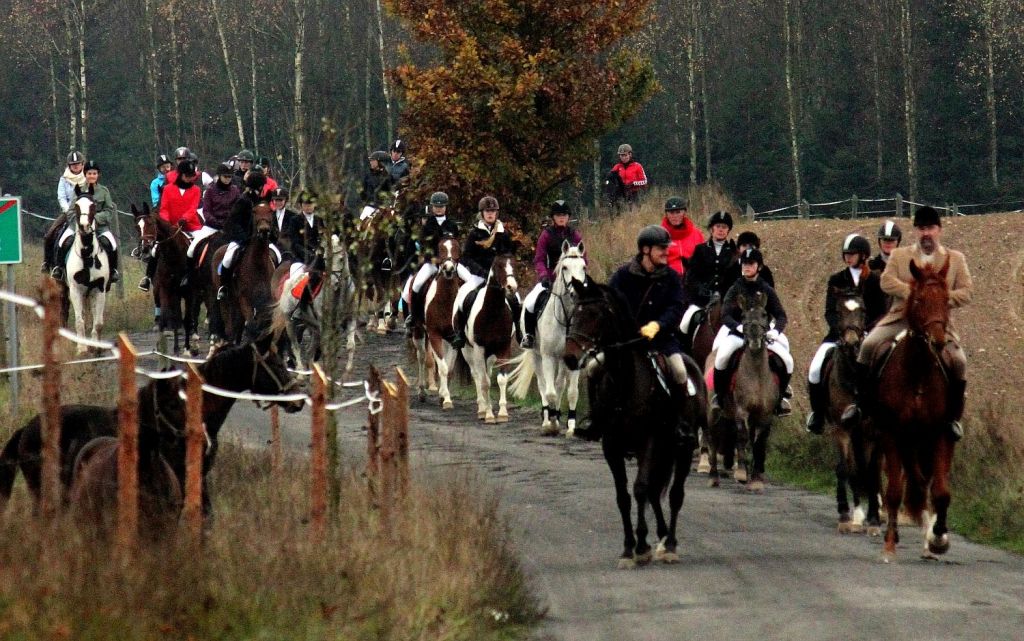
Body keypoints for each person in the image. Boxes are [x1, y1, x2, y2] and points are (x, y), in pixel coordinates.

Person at [845, 206, 973, 440]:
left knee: (959, 361)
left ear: (939, 230)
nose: (926, 233)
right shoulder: (899, 255)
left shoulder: (955, 259)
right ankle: (860, 405)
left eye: (930, 228)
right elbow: (886, 282)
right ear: (915, 231)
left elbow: (966, 292)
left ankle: (953, 418)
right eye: (921, 228)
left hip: (936, 323)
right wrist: (914, 295)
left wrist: (937, 300)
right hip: (899, 318)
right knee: (867, 346)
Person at [608, 225, 696, 441]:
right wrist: (627, 327)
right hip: (627, 341)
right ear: (646, 250)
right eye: (661, 248)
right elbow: (611, 303)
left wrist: (658, 325)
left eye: (667, 248)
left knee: (680, 372)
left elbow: (677, 307)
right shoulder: (622, 276)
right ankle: (597, 418)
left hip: (662, 341)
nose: (667, 252)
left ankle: (681, 422)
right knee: (593, 368)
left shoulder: (672, 278)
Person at [804, 234, 885, 434]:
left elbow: (881, 311)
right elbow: (829, 311)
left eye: (852, 254)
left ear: (863, 255)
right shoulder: (837, 279)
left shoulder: (874, 280)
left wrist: (866, 330)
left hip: (868, 335)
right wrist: (840, 330)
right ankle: (818, 414)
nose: (848, 258)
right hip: (838, 336)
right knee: (815, 369)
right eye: (846, 254)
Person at [710, 248, 793, 418]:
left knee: (788, 360)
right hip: (738, 334)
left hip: (763, 334)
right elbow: (725, 315)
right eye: (744, 264)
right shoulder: (735, 289)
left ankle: (780, 400)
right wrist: (737, 327)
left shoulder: (766, 289)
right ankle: (719, 397)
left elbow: (781, 315)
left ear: (759, 267)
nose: (746, 267)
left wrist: (776, 331)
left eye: (750, 264)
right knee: (722, 357)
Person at [450, 196, 516, 348]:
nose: (490, 214)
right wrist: (481, 272)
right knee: (464, 296)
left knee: (515, 299)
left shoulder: (503, 234)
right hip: (479, 276)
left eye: (493, 211)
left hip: (499, 277)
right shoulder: (475, 234)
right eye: (487, 211)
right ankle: (460, 334)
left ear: (497, 213)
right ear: (482, 213)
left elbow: (508, 255)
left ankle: (520, 332)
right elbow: (466, 257)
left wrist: (502, 273)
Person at [520, 199, 585, 349]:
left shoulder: (575, 235)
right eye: (558, 215)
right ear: (553, 217)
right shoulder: (546, 235)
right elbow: (539, 259)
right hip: (550, 279)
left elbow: (584, 259)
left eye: (564, 215)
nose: (561, 218)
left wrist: (581, 276)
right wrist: (544, 275)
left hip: (573, 280)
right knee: (530, 302)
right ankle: (529, 336)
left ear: (568, 217)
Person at [51, 159, 120, 283]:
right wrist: (79, 221)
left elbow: (109, 210)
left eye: (94, 173)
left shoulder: (104, 191)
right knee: (63, 242)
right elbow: (71, 210)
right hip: (78, 226)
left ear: (98, 175)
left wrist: (95, 219)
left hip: (99, 226)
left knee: (112, 244)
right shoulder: (78, 190)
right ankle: (59, 268)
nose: (92, 176)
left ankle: (113, 270)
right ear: (85, 174)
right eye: (89, 173)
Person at [402, 191, 463, 329]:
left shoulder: (452, 225)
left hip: (451, 263)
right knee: (416, 285)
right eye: (436, 206)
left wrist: (455, 259)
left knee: (470, 280)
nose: (439, 209)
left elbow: (457, 245)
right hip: (433, 263)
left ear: (446, 207)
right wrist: (433, 259)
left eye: (441, 206)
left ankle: (464, 319)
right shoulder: (427, 225)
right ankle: (415, 317)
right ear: (432, 207)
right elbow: (424, 246)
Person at [138, 160, 202, 291]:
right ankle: (148, 278)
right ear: (181, 175)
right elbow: (164, 209)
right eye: (187, 176)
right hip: (170, 226)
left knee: (198, 248)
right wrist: (167, 224)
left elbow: (193, 208)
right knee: (155, 249)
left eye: (192, 176)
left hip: (191, 226)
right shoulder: (167, 189)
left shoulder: (196, 190)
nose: (190, 179)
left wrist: (184, 219)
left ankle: (199, 277)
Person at [679, 211, 737, 346]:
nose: (721, 230)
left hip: (725, 300)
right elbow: (692, 276)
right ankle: (685, 351)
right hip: (702, 300)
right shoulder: (700, 250)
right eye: (718, 226)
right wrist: (700, 288)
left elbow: (735, 278)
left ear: (728, 230)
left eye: (724, 227)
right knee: (685, 322)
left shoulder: (733, 252)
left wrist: (724, 293)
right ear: (712, 229)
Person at [217, 171, 274, 300]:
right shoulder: (243, 200)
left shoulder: (261, 201)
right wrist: (244, 237)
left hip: (259, 239)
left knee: (277, 255)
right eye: (262, 186)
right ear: (259, 186)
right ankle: (224, 287)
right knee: (227, 258)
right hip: (241, 239)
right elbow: (233, 221)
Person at [42, 151, 86, 275]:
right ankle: (49, 263)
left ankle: (111, 268)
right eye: (73, 164)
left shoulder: (88, 178)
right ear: (69, 165)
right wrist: (68, 210)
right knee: (49, 235)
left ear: (82, 164)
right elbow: (61, 197)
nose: (75, 166)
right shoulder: (64, 180)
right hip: (68, 213)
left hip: (86, 213)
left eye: (78, 164)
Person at [660, 196, 704, 279]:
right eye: (671, 213)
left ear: (684, 213)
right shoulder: (659, 234)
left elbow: (703, 257)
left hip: (692, 278)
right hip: (668, 278)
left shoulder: (696, 233)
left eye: (678, 212)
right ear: (666, 214)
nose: (675, 216)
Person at [284, 189, 326, 265]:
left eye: (310, 204)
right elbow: (295, 242)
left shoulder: (319, 220)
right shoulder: (294, 220)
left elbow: (322, 238)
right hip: (300, 258)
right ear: (301, 205)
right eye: (305, 204)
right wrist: (308, 254)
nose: (308, 207)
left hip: (318, 256)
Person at [268, 187, 299, 260]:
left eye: (280, 200)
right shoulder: (269, 216)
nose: (278, 203)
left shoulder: (293, 216)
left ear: (285, 201)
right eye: (276, 200)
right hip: (273, 250)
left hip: (290, 250)